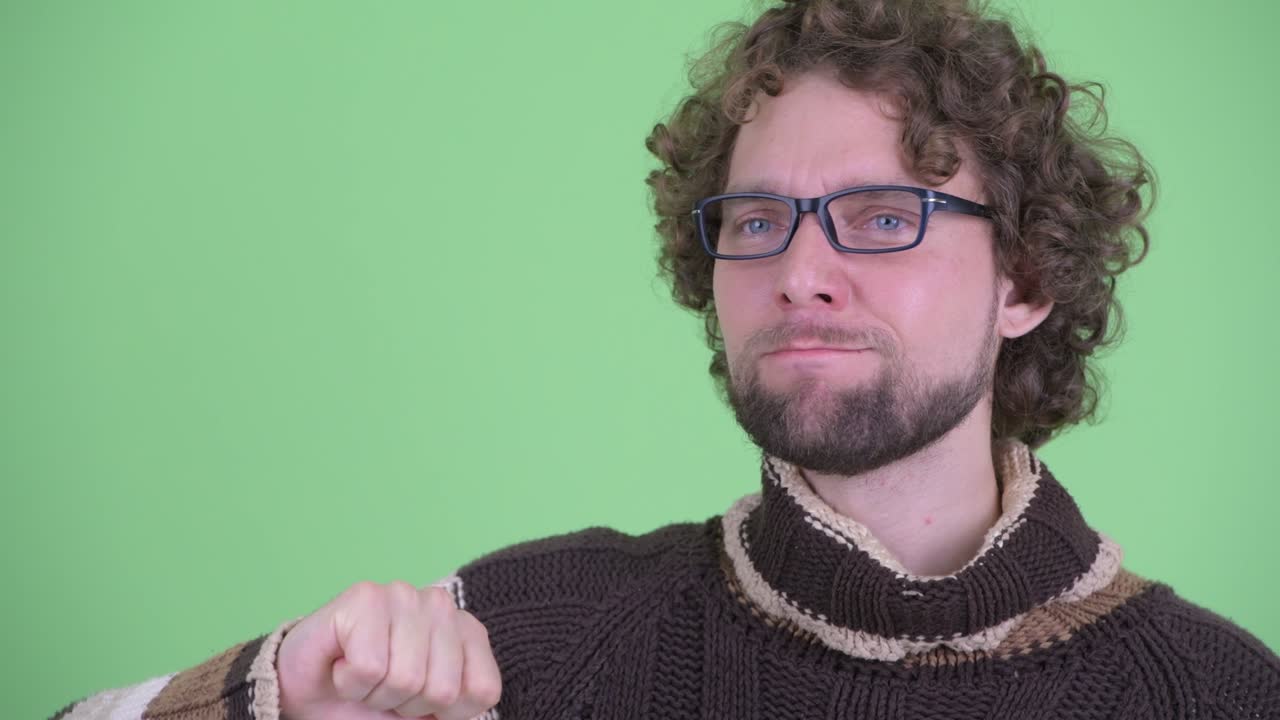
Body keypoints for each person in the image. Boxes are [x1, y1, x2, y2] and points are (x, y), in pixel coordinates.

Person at [48, 0, 1280, 718]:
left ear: (1025, 282)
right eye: (755, 220)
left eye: (881, 214)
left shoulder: (1222, 694)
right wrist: (277, 696)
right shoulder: (519, 644)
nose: (798, 269)